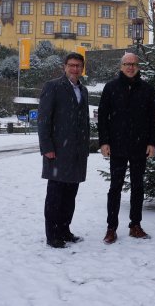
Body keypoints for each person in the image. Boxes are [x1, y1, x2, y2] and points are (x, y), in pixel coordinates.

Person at [98, 52, 155, 244]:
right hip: (117, 146)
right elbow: (102, 117)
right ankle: (111, 228)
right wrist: (104, 142)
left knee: (138, 187)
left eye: (133, 64)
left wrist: (152, 143)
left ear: (138, 67)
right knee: (115, 187)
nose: (130, 67)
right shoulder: (111, 87)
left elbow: (154, 118)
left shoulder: (147, 89)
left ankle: (135, 225)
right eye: (127, 64)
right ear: (121, 67)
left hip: (140, 146)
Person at [38, 52, 91, 249]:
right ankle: (52, 235)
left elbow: (84, 121)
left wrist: (85, 147)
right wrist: (47, 147)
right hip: (58, 151)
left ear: (82, 68)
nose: (75, 69)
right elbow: (44, 119)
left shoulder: (83, 90)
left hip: (77, 152)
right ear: (65, 67)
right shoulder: (52, 86)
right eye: (71, 65)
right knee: (55, 195)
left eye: (78, 66)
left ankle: (64, 230)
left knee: (70, 195)